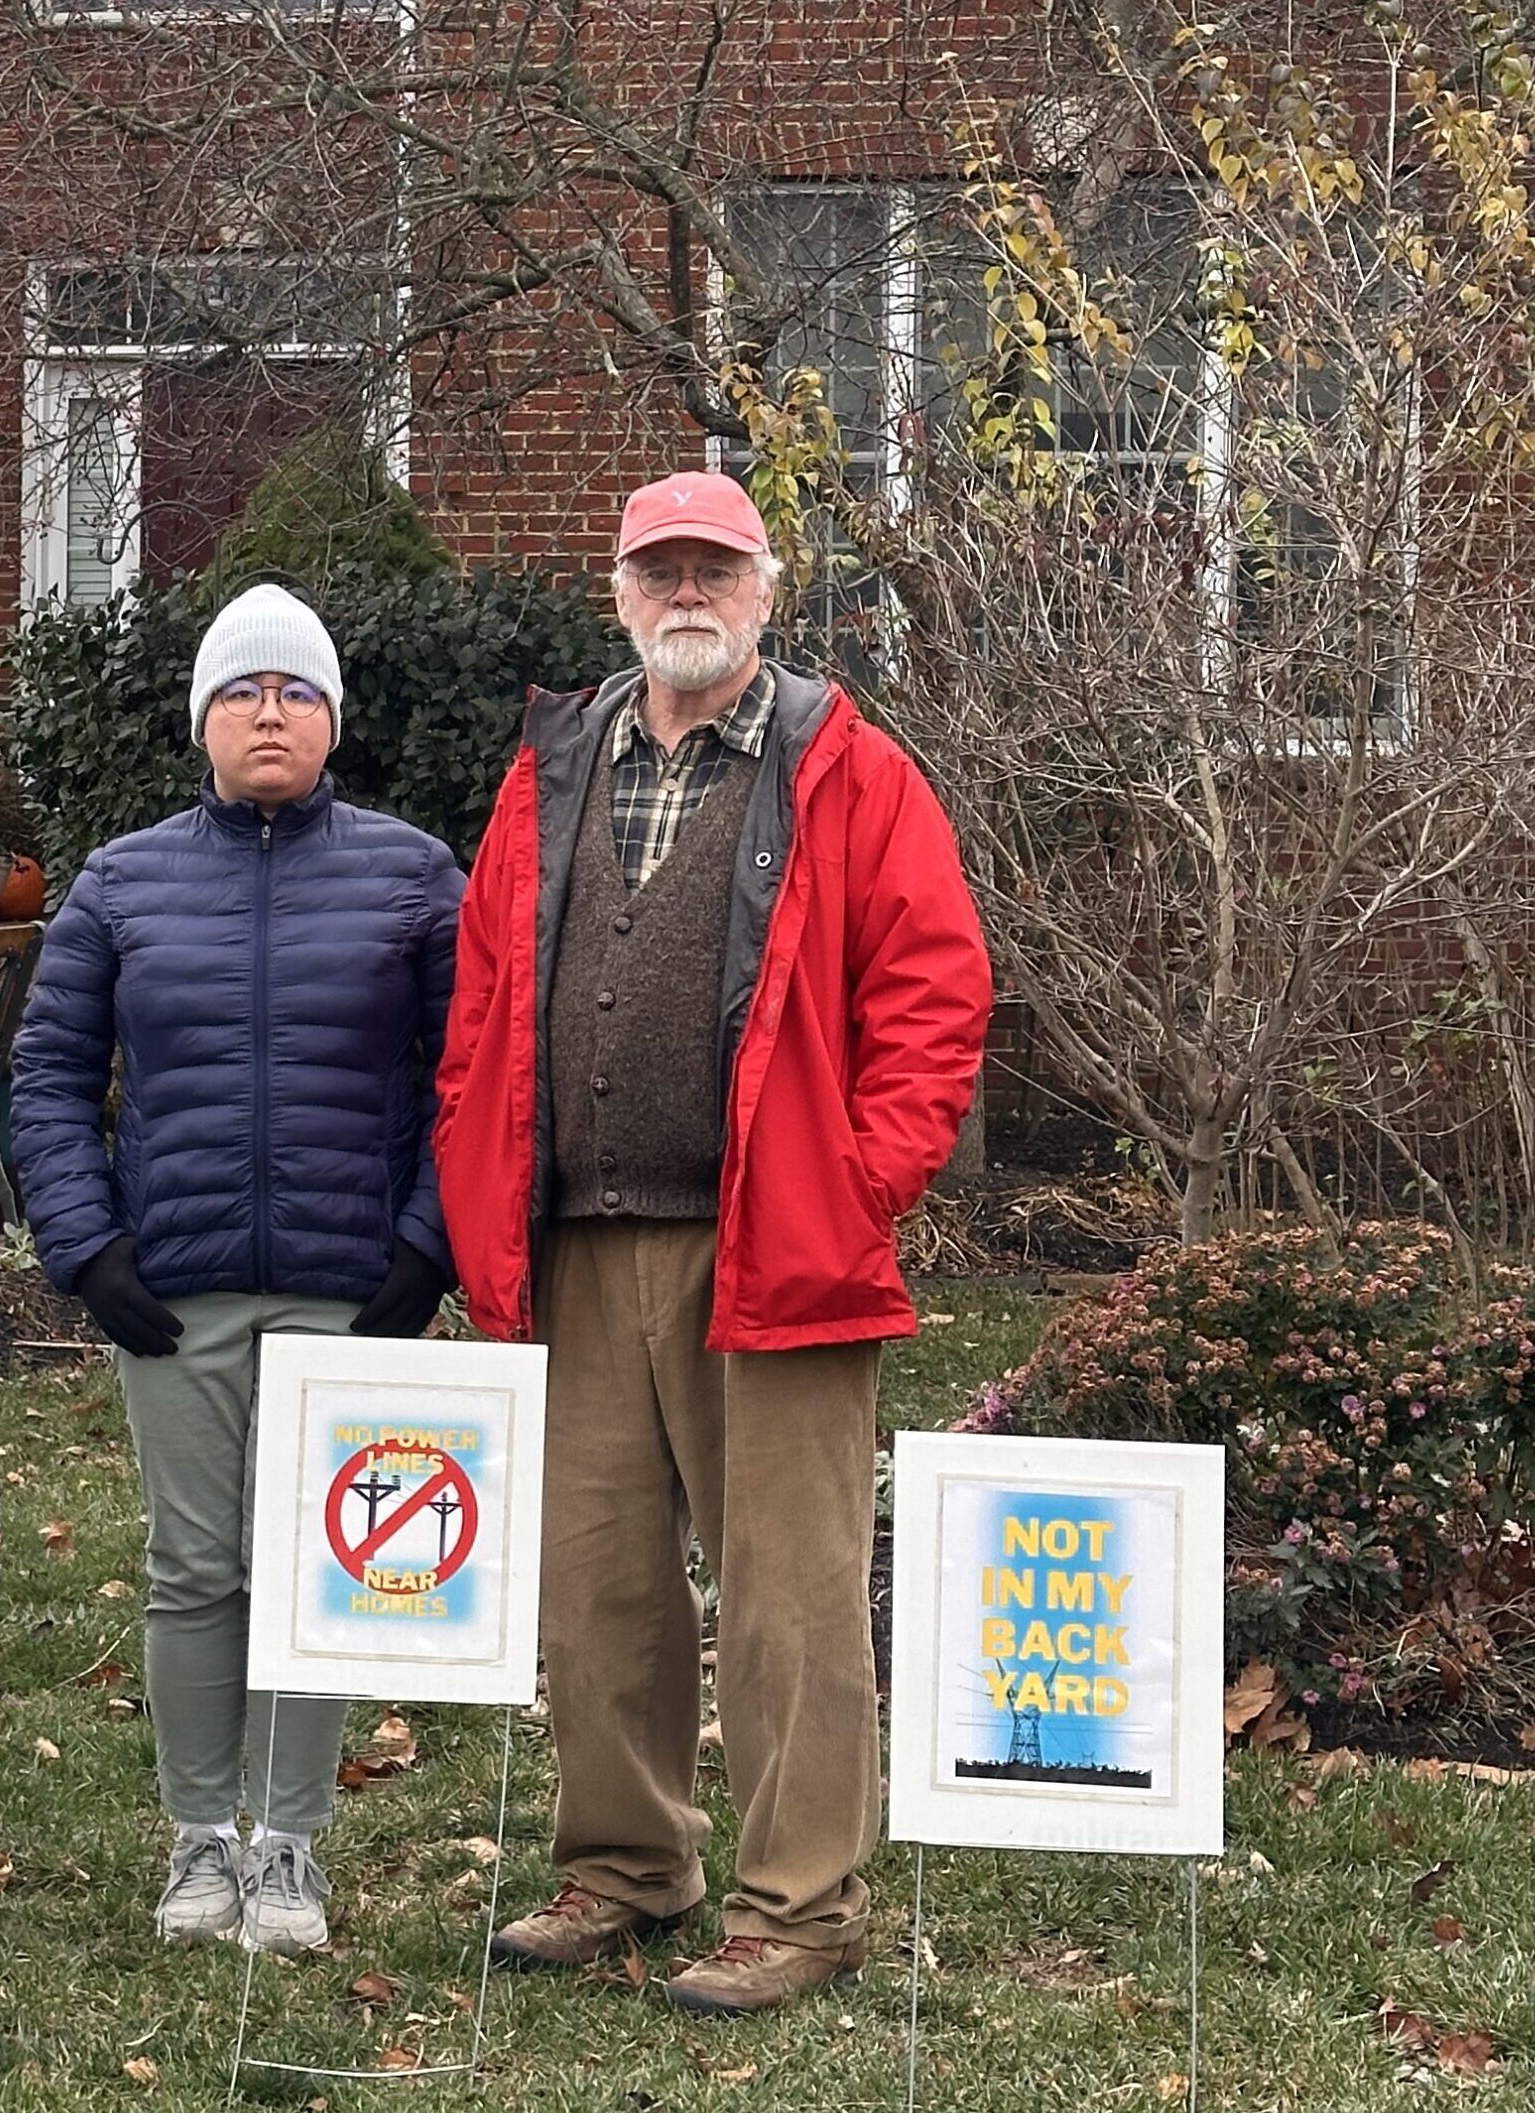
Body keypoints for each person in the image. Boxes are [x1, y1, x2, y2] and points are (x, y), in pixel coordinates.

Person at [433, 472, 990, 2013]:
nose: (689, 592)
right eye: (659, 568)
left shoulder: (851, 770)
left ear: (765, 587)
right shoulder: (552, 766)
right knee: (598, 1586)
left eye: (716, 568)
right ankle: (628, 1867)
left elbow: (936, 998)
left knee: (791, 1596)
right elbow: (484, 995)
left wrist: (857, 1183)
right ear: (618, 590)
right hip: (578, 1247)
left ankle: (802, 1903)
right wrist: (477, 1157)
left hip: (776, 1251)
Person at [11, 581, 464, 1956]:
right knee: (196, 1565)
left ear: (334, 720)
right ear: (202, 718)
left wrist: (426, 1245)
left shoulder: (412, 873)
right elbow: (42, 1075)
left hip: (351, 1290)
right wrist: (87, 1249)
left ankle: (291, 1849)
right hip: (179, 1288)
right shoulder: (123, 880)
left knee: (318, 1574)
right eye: (243, 691)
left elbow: (477, 1078)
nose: (271, 713)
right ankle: (200, 1835)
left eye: (298, 692)